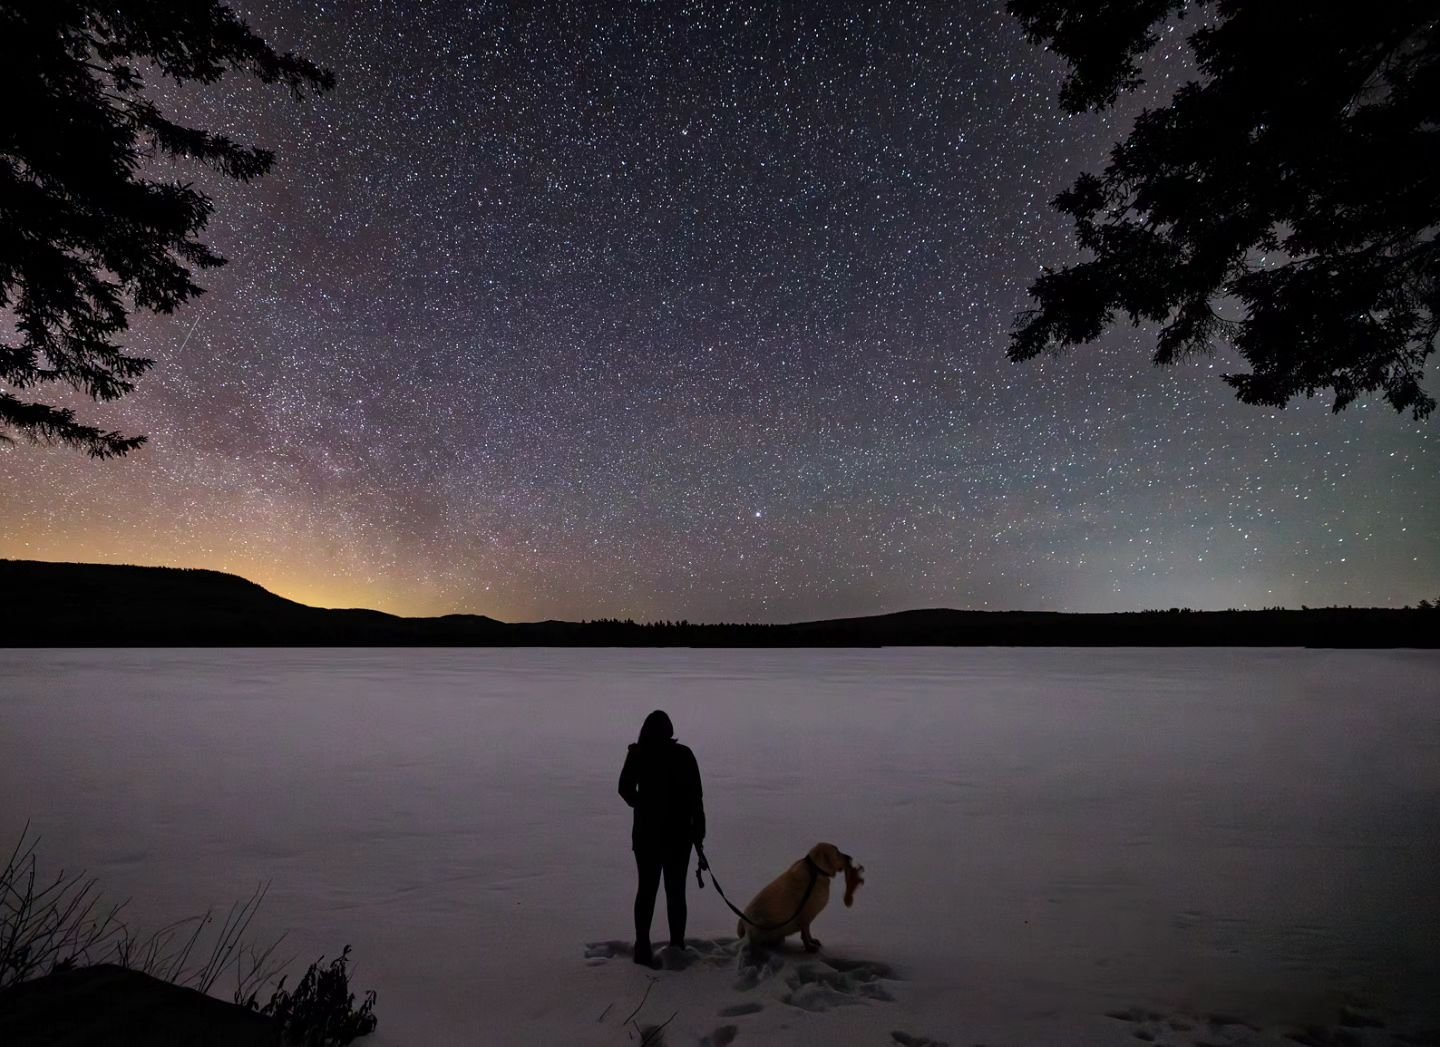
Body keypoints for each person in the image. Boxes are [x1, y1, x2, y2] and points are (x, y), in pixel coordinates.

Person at [618, 709, 706, 968]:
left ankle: (642, 946)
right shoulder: (684, 754)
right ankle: (677, 945)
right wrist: (698, 834)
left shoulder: (637, 754)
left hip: (646, 836)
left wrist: (643, 805)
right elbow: (696, 798)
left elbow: (624, 789)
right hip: (679, 836)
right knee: (675, 892)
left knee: (646, 890)